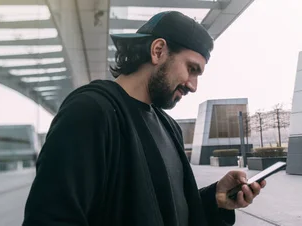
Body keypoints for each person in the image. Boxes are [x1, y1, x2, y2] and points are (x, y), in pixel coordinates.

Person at [22, 11, 266, 226]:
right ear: (158, 50)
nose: (193, 86)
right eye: (191, 69)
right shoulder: (90, 112)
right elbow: (50, 218)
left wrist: (215, 199)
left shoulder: (169, 127)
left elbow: (163, 212)